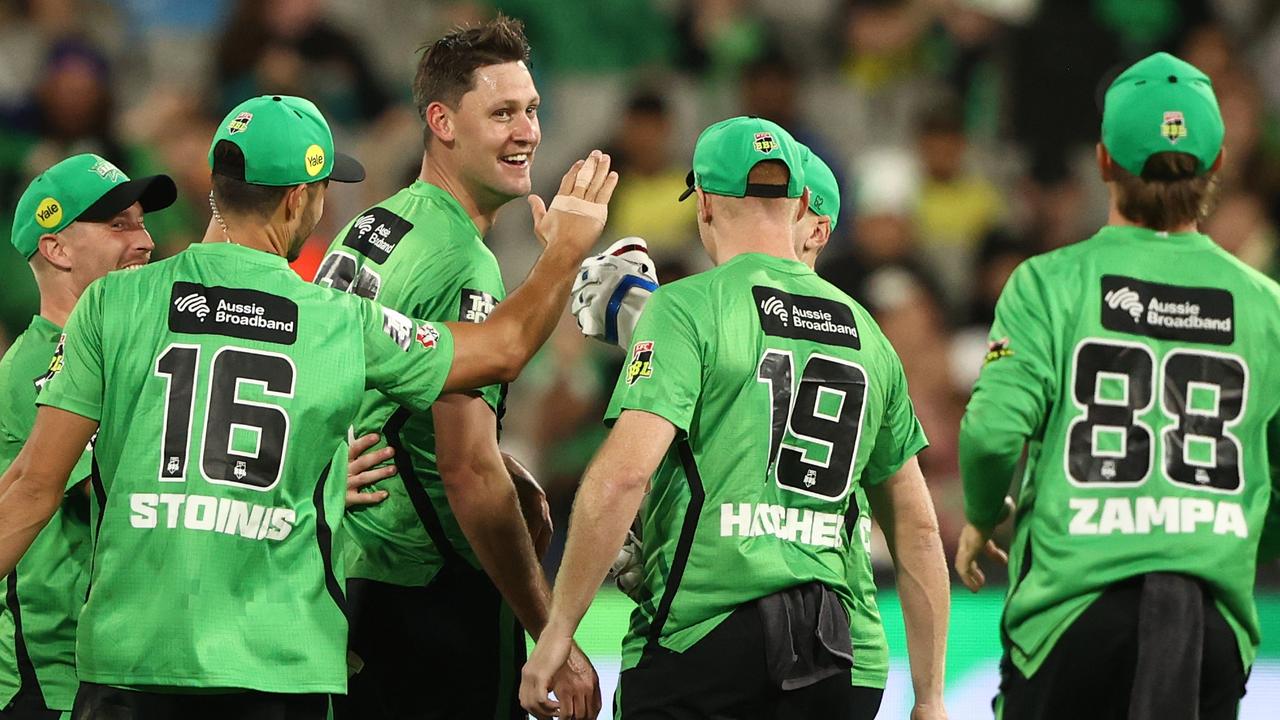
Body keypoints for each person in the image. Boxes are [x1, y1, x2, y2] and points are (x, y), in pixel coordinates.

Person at [0, 93, 616, 719]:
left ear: (218, 188)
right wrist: (564, 251)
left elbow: (29, 488)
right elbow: (504, 349)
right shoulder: (338, 324)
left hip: (130, 660)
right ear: (299, 198)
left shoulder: (112, 305)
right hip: (278, 664)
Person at [521, 117, 950, 720]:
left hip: (705, 635)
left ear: (703, 204)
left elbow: (621, 479)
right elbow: (919, 529)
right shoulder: (869, 334)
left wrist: (559, 631)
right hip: (842, 654)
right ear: (803, 203)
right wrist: (930, 698)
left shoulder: (687, 309)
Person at [955, 52, 1280, 719]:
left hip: (1074, 611)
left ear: (1103, 160)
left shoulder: (1048, 281)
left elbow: (990, 435)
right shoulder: (1267, 305)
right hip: (1211, 625)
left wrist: (985, 514)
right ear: (1216, 166)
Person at [314, 16, 599, 719]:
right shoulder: (459, 260)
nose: (527, 131)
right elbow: (467, 472)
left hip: (343, 571)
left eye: (531, 110)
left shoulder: (375, 225)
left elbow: (382, 397)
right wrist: (549, 630)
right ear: (441, 121)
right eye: (502, 113)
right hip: (425, 588)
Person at [0, 155, 175, 720]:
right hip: (47, 676)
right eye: (118, 225)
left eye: (142, 223)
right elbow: (121, 492)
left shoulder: (120, 356)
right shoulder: (36, 369)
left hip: (115, 663)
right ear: (57, 250)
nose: (145, 241)